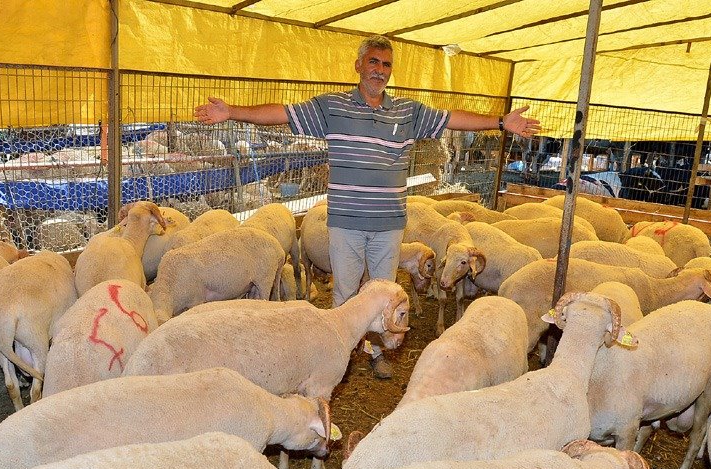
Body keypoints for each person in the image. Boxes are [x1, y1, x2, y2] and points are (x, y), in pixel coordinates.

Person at [195, 35, 539, 379]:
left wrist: (499, 122)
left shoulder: (408, 112)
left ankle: (374, 352)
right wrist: (233, 111)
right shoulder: (332, 107)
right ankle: (338, 358)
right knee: (345, 293)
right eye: (373, 62)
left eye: (386, 65)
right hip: (346, 220)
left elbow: (452, 119)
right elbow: (283, 113)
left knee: (383, 290)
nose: (380, 71)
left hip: (388, 224)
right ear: (359, 65)